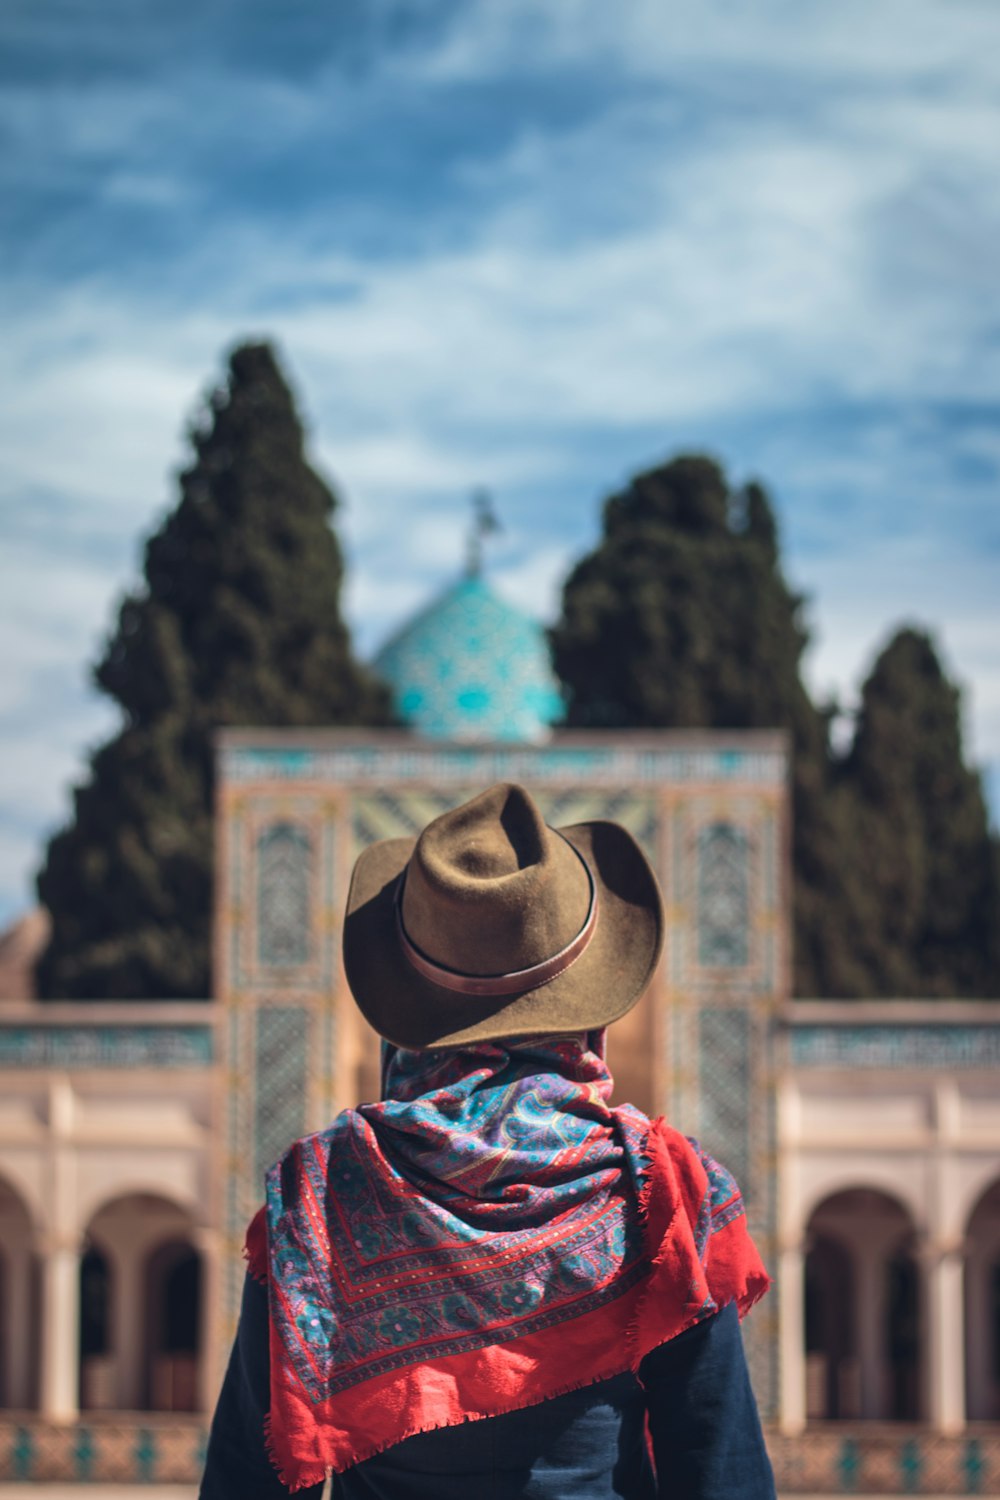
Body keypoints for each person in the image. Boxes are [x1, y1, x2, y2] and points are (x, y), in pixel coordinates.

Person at [200, 783, 776, 1498]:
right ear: (588, 1013)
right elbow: (719, 1470)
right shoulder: (656, 1190)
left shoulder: (324, 1197)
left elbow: (244, 1478)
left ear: (403, 1014)